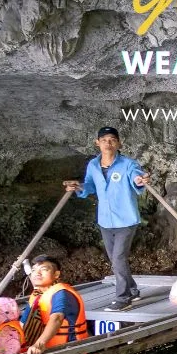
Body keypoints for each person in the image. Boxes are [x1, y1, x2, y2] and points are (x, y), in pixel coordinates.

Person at [63, 126, 149, 312]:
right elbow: (90, 186)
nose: (108, 143)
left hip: (126, 219)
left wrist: (139, 180)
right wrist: (78, 187)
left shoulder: (127, 163)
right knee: (115, 259)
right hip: (105, 220)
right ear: (97, 143)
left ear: (118, 143)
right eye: (104, 140)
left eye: (112, 140)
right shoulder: (93, 165)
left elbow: (136, 177)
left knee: (118, 258)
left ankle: (123, 297)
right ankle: (133, 289)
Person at [20, 256, 88, 354]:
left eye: (43, 269)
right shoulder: (36, 295)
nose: (37, 273)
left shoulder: (61, 293)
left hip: (68, 351)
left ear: (56, 274)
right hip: (45, 351)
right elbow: (22, 324)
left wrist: (38, 344)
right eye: (34, 270)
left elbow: (57, 318)